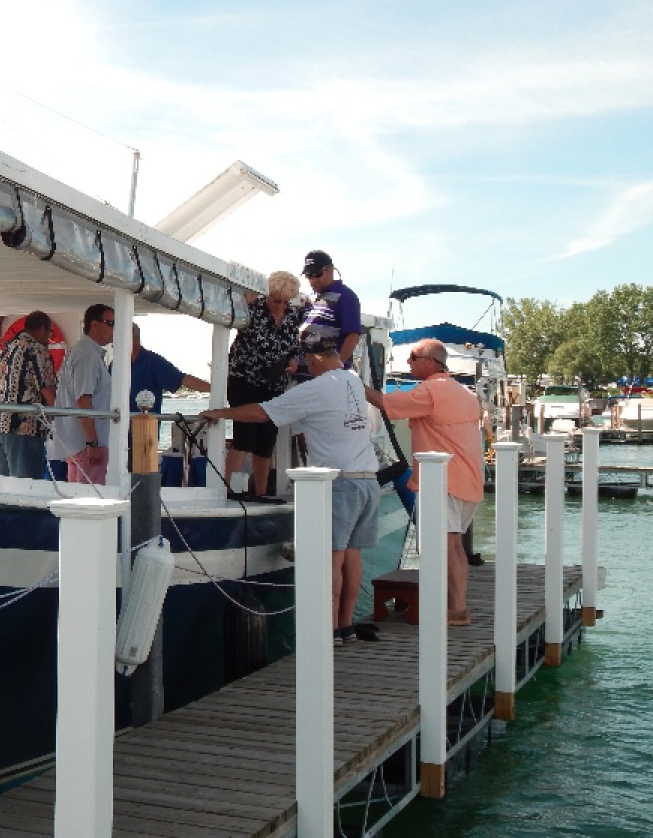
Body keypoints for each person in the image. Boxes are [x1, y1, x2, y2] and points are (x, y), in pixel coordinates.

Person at [200, 332, 379, 646]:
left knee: (331, 559)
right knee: (353, 557)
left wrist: (220, 413)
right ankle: (346, 626)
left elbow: (261, 413)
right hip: (368, 480)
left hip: (341, 483)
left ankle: (328, 632)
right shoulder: (352, 380)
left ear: (312, 358)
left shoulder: (317, 387)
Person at [364, 338, 484, 626]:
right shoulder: (463, 392)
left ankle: (455, 609)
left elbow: (385, 403)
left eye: (413, 357)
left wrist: (352, 383)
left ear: (431, 362)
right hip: (468, 479)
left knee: (445, 544)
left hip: (444, 480)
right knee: (454, 544)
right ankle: (457, 606)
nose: (408, 362)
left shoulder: (432, 390)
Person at [225, 271, 306, 497]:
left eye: (284, 301)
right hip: (245, 379)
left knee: (266, 440)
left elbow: (294, 348)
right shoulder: (251, 309)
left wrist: (293, 361)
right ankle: (227, 490)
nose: (279, 305)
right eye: (275, 300)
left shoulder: (292, 316)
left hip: (274, 384)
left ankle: (260, 493)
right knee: (244, 436)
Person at [0, 310, 58, 479]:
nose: (49, 338)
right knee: (26, 487)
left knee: (1, 487)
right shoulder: (38, 350)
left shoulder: (7, 349)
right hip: (24, 430)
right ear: (42, 329)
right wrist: (60, 422)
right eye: (49, 333)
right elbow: (48, 391)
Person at [51, 304, 114, 484]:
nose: (114, 329)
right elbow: (84, 400)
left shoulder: (82, 351)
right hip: (86, 445)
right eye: (110, 323)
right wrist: (92, 443)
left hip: (77, 444)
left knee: (77, 495)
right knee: (91, 495)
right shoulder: (87, 354)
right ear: (94, 324)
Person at [128, 323, 210, 413]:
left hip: (145, 421)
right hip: (117, 420)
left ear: (132, 338)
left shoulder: (153, 362)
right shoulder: (116, 364)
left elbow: (183, 380)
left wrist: (216, 390)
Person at [300, 250, 361, 369]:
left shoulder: (345, 296)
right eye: (309, 276)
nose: (313, 280)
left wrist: (337, 367)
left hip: (328, 373)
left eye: (317, 274)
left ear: (330, 270)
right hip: (306, 371)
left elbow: (352, 335)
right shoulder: (310, 299)